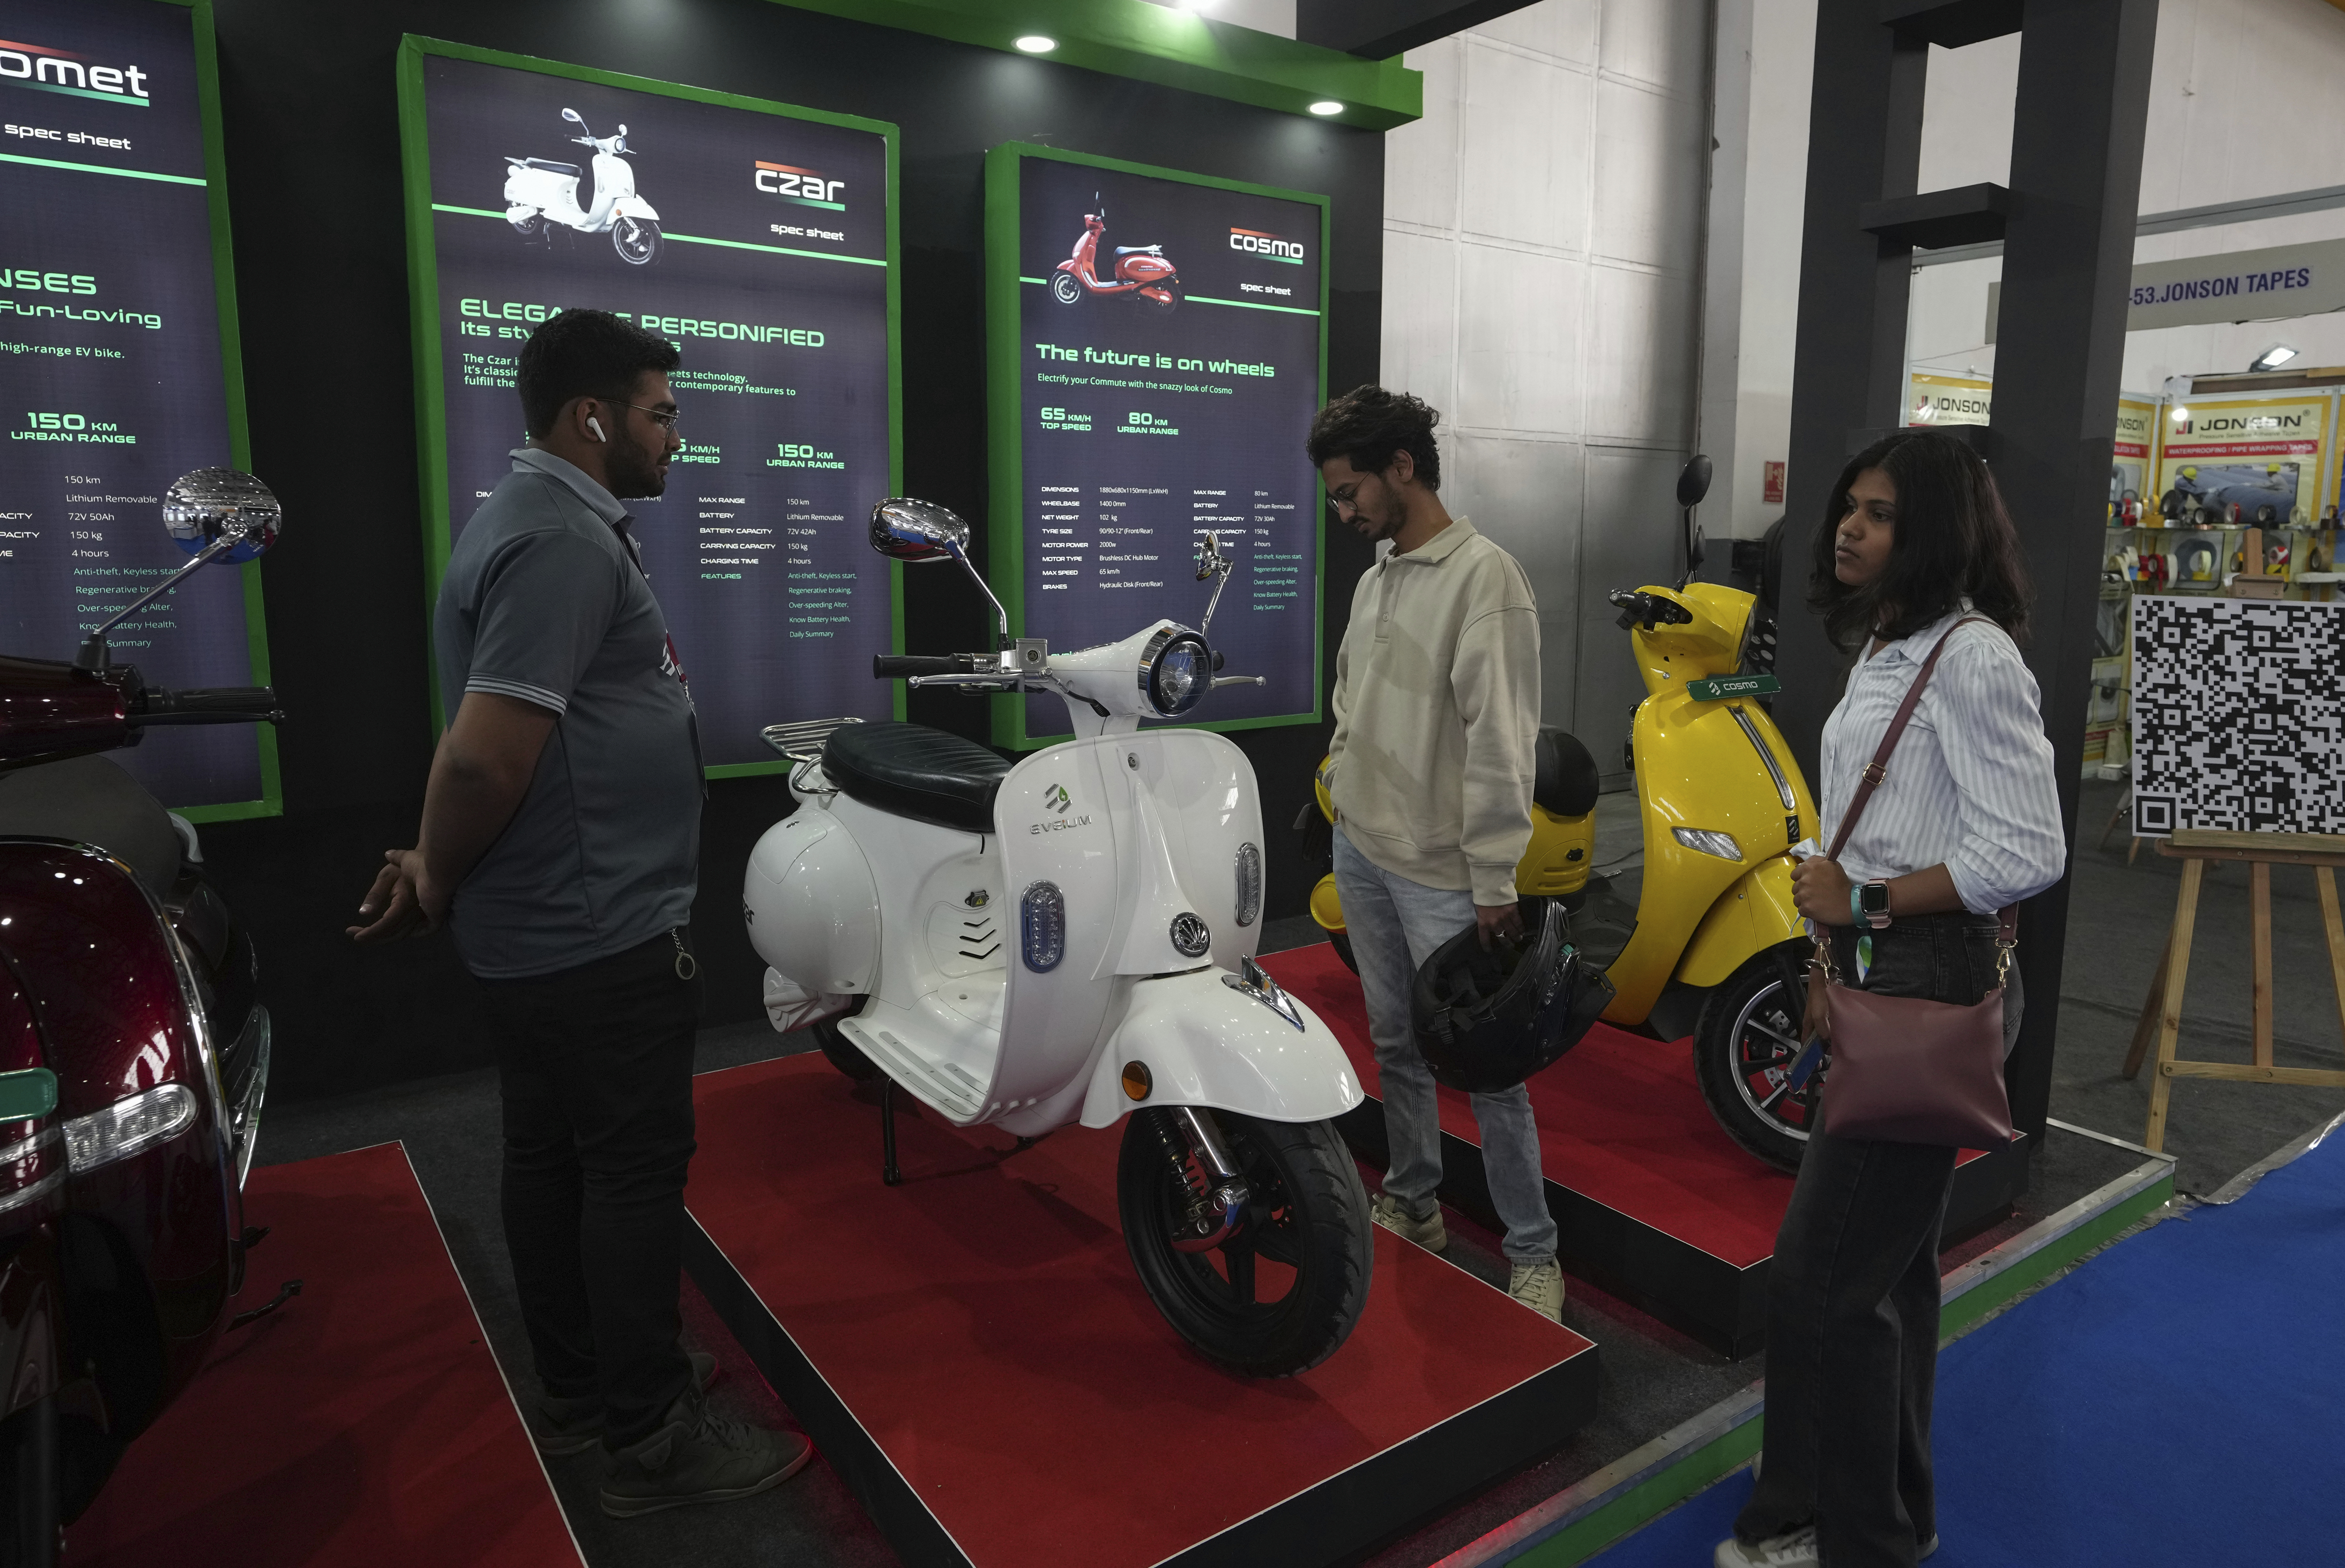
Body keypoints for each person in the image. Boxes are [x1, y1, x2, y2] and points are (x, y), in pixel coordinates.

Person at [347, 309, 810, 1517]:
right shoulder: (557, 539)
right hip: (593, 933)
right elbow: (484, 757)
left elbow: (489, 743)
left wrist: (440, 863)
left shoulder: (540, 520)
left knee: (552, 1158)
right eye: (661, 414)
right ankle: (648, 1436)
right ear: (591, 419)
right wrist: (436, 870)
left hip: (553, 924)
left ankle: (585, 1384)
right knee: (627, 1174)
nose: (675, 435)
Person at [1718, 431, 2065, 1568]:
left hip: (1928, 978)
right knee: (1884, 1274)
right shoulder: (1888, 640)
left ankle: (1834, 1528)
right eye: (1849, 508)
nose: (1850, 529)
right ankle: (1885, 1518)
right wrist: (1833, 947)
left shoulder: (1971, 656)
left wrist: (1862, 901)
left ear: (1934, 532)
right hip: (1879, 976)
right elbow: (1876, 818)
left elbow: (2026, 851)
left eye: (1880, 514)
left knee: (1825, 1281)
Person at [1307, 385, 1564, 1321]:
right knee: (1394, 1041)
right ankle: (1415, 1200)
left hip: (1447, 876)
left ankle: (1534, 1250)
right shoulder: (1377, 579)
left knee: (1490, 1066)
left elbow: (1502, 741)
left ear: (1403, 467)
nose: (1344, 512)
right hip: (1363, 850)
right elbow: (1349, 695)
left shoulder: (1487, 579)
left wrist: (1495, 879)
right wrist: (1343, 778)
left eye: (1351, 492)